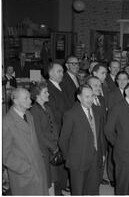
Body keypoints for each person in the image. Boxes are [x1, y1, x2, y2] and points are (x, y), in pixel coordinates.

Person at [59, 84, 105, 195]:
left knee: (93, 190)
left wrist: (102, 154)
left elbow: (100, 136)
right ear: (79, 97)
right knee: (78, 191)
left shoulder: (98, 111)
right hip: (77, 161)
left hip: (95, 158)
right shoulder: (71, 114)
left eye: (92, 96)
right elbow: (63, 140)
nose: (90, 99)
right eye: (87, 96)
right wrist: (69, 158)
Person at [3, 88, 48, 195]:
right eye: (26, 98)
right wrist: (25, 168)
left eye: (29, 97)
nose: (30, 100)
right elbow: (5, 155)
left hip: (38, 169)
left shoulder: (28, 115)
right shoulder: (6, 122)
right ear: (15, 101)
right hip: (23, 175)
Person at [105, 82, 129, 195]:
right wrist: (118, 145)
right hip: (124, 154)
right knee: (123, 186)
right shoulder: (117, 107)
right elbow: (108, 130)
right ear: (126, 92)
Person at [30, 82, 59, 193]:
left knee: (52, 178)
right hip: (43, 149)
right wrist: (53, 147)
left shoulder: (47, 107)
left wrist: (56, 141)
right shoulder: (34, 111)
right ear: (37, 95)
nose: (48, 94)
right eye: (45, 92)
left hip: (52, 146)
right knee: (46, 178)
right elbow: (39, 134)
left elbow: (54, 125)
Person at [46, 62, 69, 195]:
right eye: (58, 71)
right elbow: (53, 112)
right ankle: (58, 190)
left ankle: (63, 184)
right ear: (50, 73)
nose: (61, 74)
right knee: (58, 161)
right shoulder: (48, 87)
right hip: (59, 128)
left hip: (65, 126)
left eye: (62, 71)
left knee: (65, 158)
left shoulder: (61, 86)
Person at [106, 71, 129, 187]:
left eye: (125, 79)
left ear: (128, 80)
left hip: (128, 129)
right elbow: (111, 114)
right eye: (120, 79)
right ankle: (112, 176)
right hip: (116, 129)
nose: (122, 82)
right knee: (113, 153)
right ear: (116, 81)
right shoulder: (112, 95)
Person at [86, 76, 108, 185]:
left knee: (102, 158)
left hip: (103, 134)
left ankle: (99, 178)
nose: (99, 88)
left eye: (100, 85)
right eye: (95, 85)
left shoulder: (102, 99)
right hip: (94, 136)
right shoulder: (86, 103)